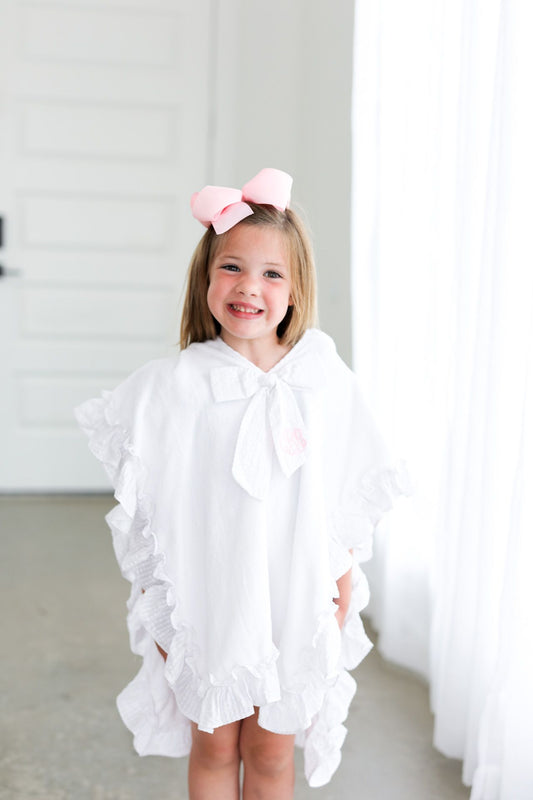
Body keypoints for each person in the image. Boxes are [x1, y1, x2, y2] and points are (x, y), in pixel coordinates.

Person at [75, 168, 409, 799]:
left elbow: (342, 495)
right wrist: (164, 614)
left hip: (294, 598)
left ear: (295, 287)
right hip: (212, 597)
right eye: (231, 267)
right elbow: (152, 503)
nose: (249, 287)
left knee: (272, 749)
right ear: (206, 278)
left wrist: (338, 588)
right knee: (215, 741)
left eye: (271, 274)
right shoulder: (175, 386)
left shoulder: (321, 378)